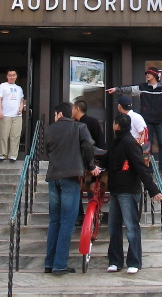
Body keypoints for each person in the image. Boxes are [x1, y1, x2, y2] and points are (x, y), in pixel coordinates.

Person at [44, 102, 101, 275]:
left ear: (59, 114)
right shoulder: (79, 127)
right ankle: (60, 264)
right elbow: (89, 146)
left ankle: (49, 262)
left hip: (53, 176)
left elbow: (47, 150)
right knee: (67, 221)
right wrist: (91, 166)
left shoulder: (50, 130)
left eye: (55, 114)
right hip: (70, 176)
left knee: (54, 221)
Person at [105, 113, 162, 274]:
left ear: (117, 125)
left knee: (131, 227)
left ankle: (134, 262)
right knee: (114, 227)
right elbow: (107, 160)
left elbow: (141, 167)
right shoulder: (116, 143)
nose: (113, 126)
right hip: (116, 190)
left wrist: (153, 190)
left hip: (128, 190)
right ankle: (115, 261)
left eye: (114, 123)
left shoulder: (129, 144)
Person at [106, 66, 162, 175]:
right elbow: (130, 89)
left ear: (155, 75)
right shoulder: (142, 87)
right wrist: (117, 89)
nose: (147, 75)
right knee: (146, 145)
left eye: (149, 74)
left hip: (160, 120)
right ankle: (148, 167)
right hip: (146, 121)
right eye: (146, 74)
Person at [0, 70, 24, 162]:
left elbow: (22, 100)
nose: (12, 77)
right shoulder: (2, 86)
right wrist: (0, 111)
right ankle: (2, 154)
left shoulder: (19, 88)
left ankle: (13, 155)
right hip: (5, 115)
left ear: (16, 76)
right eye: (10, 75)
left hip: (17, 116)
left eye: (13, 75)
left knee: (15, 136)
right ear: (7, 76)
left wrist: (21, 108)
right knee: (3, 135)